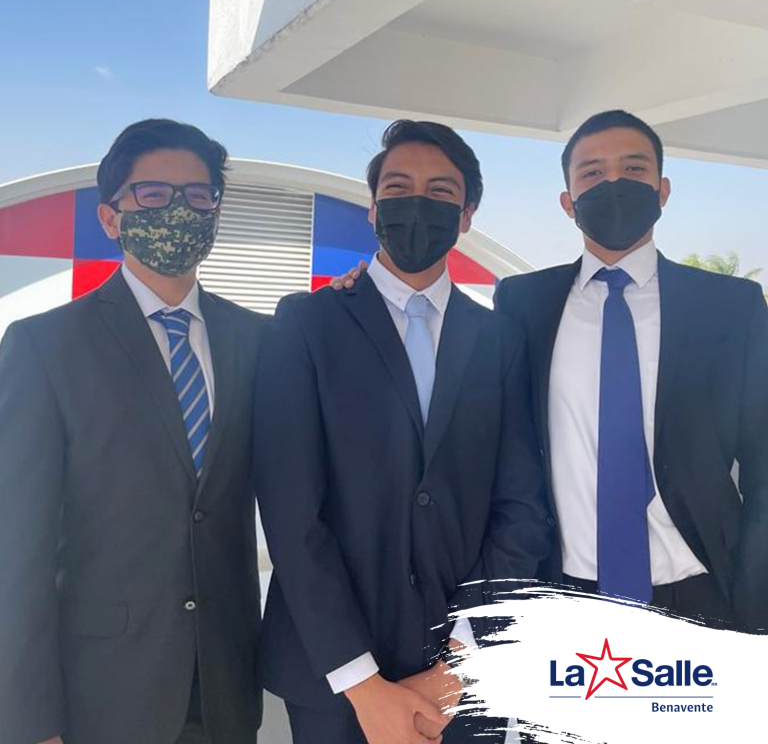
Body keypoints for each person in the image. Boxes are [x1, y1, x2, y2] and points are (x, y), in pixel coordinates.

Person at [254, 120, 552, 744]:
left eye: (440, 192)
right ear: (372, 208)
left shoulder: (498, 339)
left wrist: (459, 665)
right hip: (334, 679)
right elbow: (291, 513)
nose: (417, 202)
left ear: (466, 216)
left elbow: (520, 507)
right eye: (397, 187)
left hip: (467, 677)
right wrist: (362, 684)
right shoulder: (306, 324)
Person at [0, 119, 268, 744]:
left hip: (226, 684)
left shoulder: (259, 341)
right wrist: (28, 722)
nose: (179, 209)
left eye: (198, 195)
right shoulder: (45, 346)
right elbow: (17, 547)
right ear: (110, 217)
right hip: (102, 693)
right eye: (153, 194)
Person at [494, 110, 768, 631]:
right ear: (568, 202)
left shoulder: (731, 307)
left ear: (663, 190)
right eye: (593, 173)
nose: (614, 183)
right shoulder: (522, 303)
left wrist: (757, 601)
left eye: (634, 169)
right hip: (563, 599)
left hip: (702, 594)